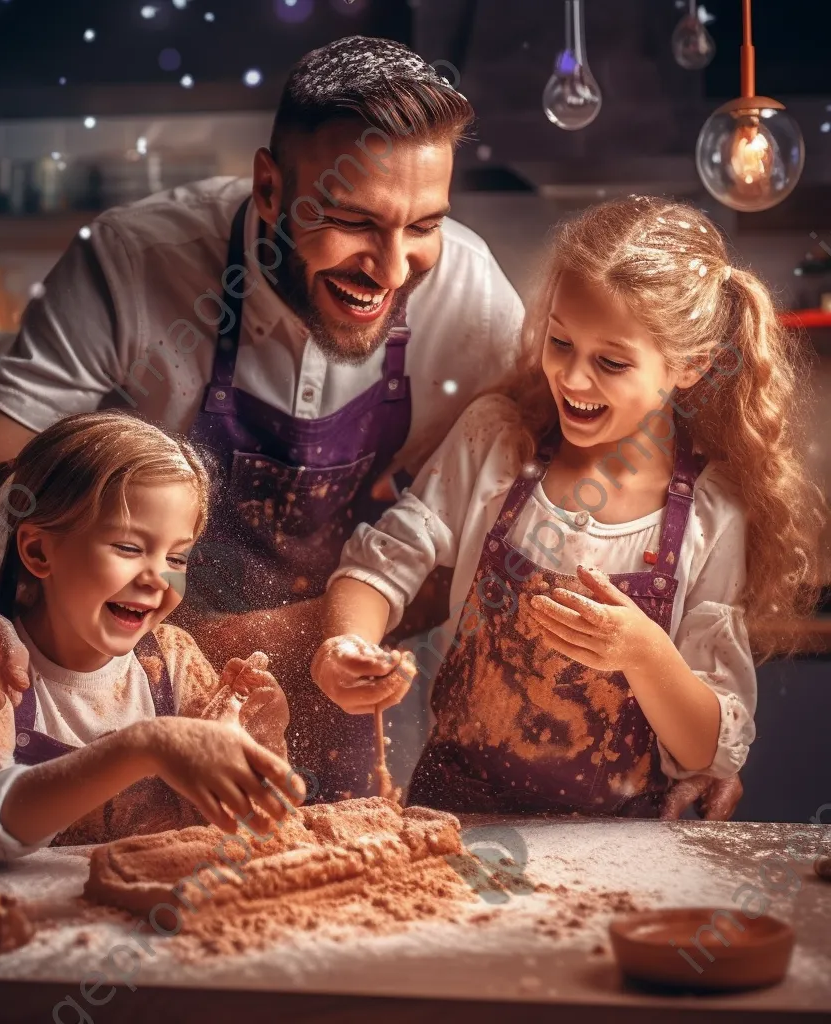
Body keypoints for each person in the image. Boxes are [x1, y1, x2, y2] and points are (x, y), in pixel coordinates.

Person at [0, 34, 738, 814]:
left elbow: (490, 518)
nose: (393, 269)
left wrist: (697, 743)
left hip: (332, 696)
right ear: (268, 187)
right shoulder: (134, 263)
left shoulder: (469, 295)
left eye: (424, 227)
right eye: (354, 223)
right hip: (96, 680)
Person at [311, 196, 827, 817]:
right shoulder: (498, 443)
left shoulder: (711, 513)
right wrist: (345, 644)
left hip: (622, 860)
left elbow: (702, 753)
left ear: (689, 367)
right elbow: (380, 565)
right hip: (456, 827)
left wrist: (644, 652)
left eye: (610, 361)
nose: (573, 379)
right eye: (560, 341)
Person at [0, 411, 301, 860]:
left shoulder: (173, 661)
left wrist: (253, 735)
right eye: (129, 548)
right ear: (38, 551)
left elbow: (237, 820)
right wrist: (143, 746)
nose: (157, 579)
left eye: (178, 557)